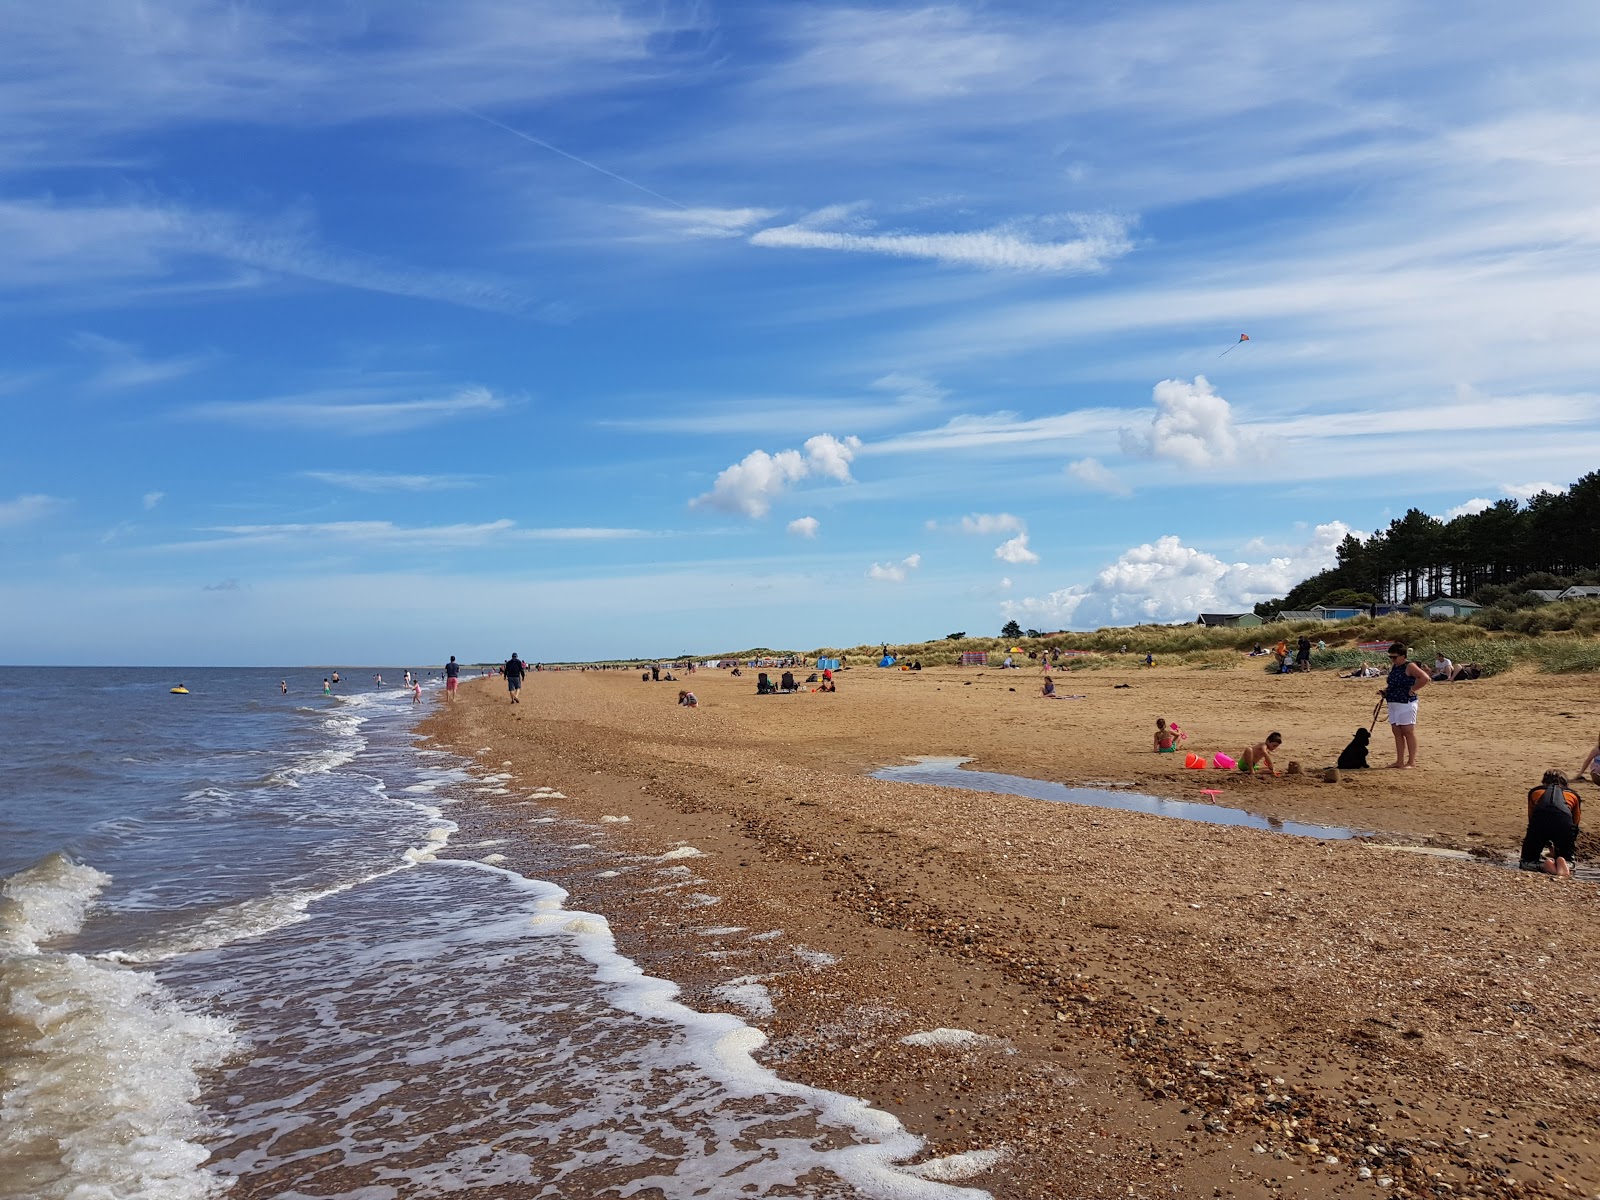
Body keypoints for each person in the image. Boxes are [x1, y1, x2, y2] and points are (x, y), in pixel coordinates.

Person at [1377, 642, 1429, 768]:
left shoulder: (1410, 666)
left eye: (1394, 657)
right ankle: (1399, 761)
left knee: (1408, 731)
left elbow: (1425, 678)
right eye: (1391, 657)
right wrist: (1385, 691)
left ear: (1403, 656)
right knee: (1397, 732)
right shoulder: (1395, 667)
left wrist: (1413, 689)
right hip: (1393, 702)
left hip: (1406, 703)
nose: (1392, 660)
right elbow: (1393, 684)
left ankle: (1411, 762)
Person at [1522, 771, 1582, 877]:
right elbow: (1575, 824)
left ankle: (1543, 866)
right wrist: (1564, 848)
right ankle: (1564, 861)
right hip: (1564, 821)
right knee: (1568, 858)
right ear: (1566, 784)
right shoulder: (1573, 795)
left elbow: (1532, 820)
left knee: (1526, 862)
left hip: (1540, 820)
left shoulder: (1535, 792)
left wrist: (1545, 843)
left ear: (1544, 782)